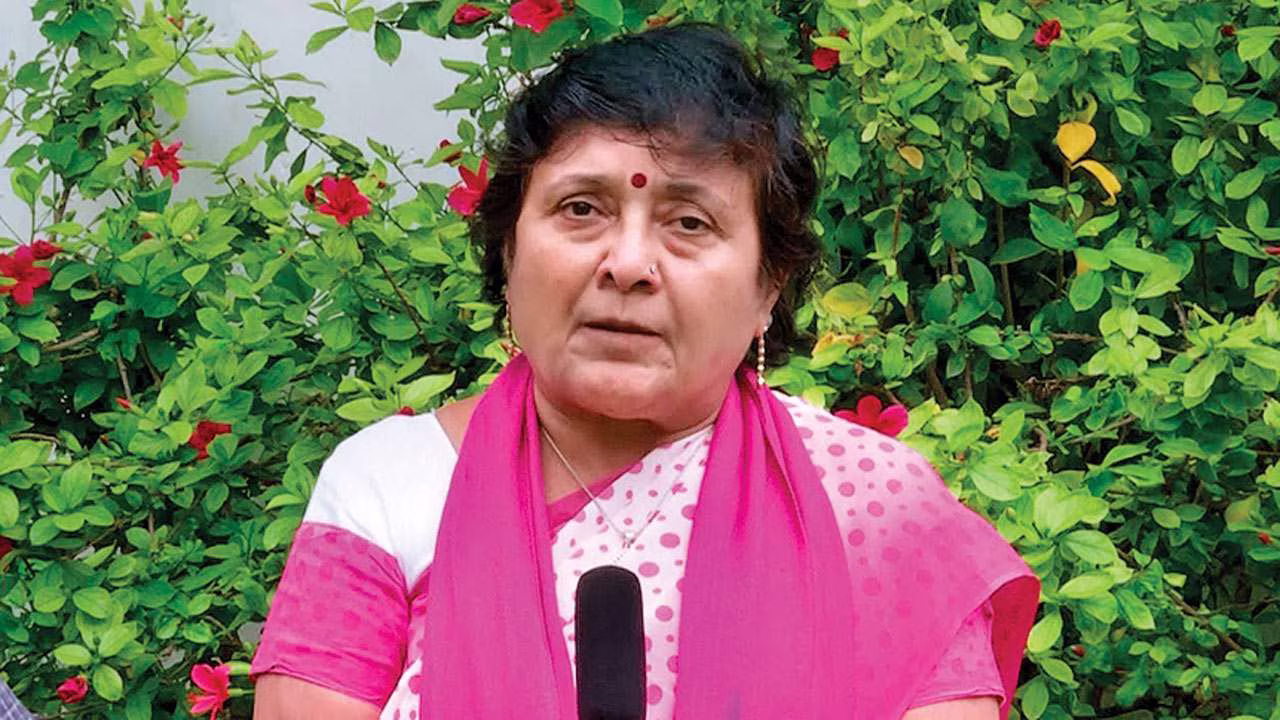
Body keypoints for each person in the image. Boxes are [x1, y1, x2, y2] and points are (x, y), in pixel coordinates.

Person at [251, 23, 1039, 720]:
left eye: (689, 221)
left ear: (768, 288)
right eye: (581, 209)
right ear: (508, 250)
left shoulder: (874, 512)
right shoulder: (390, 487)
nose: (627, 263)